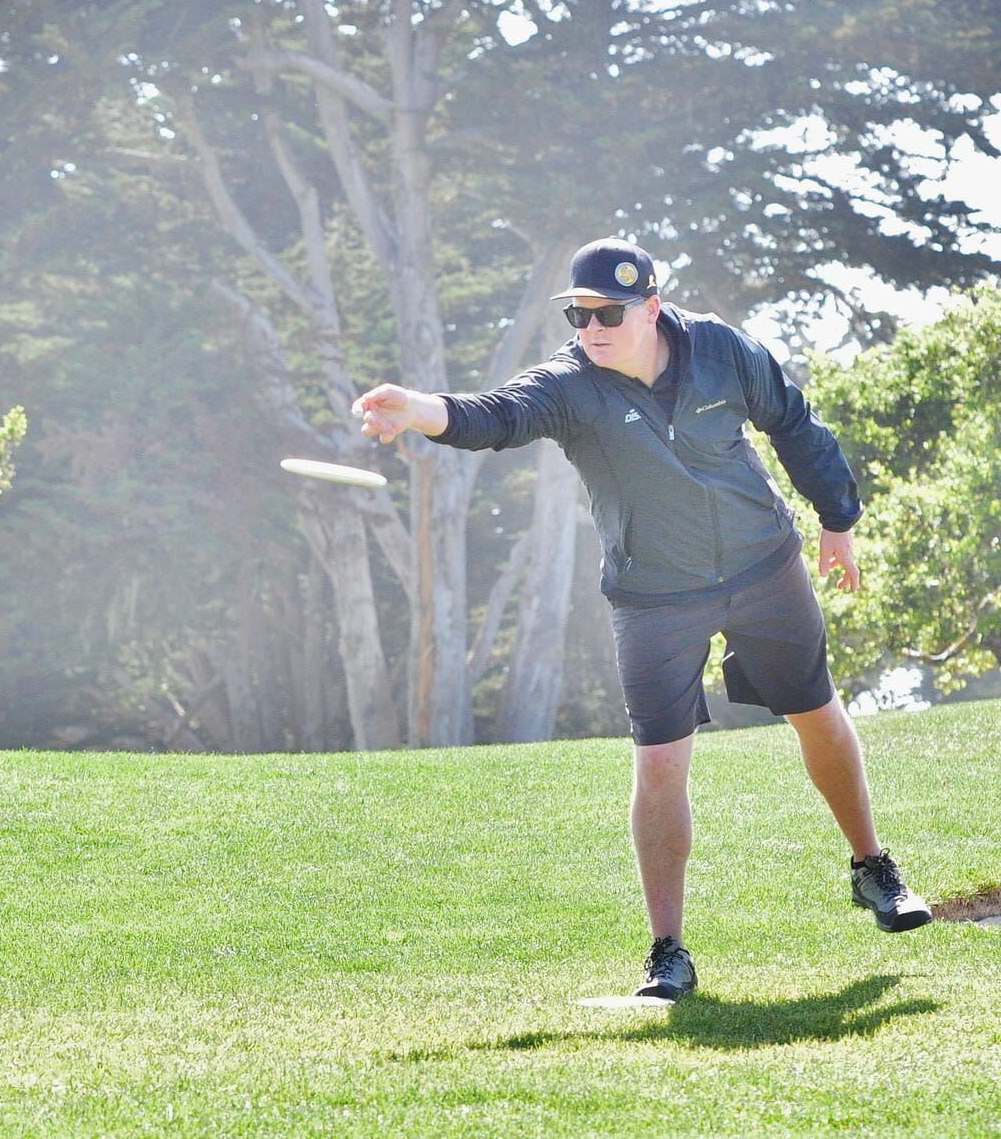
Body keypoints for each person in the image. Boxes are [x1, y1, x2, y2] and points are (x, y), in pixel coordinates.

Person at [352, 238, 931, 1001]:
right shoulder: (571, 383)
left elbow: (791, 421)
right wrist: (419, 411)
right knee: (660, 764)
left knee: (818, 715)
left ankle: (872, 868)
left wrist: (838, 516)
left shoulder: (722, 348)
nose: (591, 328)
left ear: (651, 307)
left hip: (764, 565)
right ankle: (668, 951)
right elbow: (496, 416)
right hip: (654, 594)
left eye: (608, 313)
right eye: (579, 313)